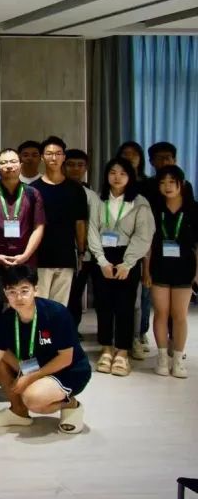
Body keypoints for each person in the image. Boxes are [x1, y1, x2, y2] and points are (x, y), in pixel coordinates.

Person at [0, 265, 89, 434]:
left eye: (24, 291)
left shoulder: (56, 313)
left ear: (36, 290)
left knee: (33, 398)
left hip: (68, 370)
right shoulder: (5, 320)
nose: (18, 297)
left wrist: (29, 378)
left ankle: (70, 405)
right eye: (12, 292)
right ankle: (18, 411)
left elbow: (66, 358)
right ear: (5, 293)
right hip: (34, 365)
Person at [87, 158, 154, 377]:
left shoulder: (140, 202)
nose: (117, 177)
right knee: (104, 305)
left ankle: (123, 352)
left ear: (130, 177)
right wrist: (102, 261)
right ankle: (106, 348)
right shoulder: (99, 199)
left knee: (125, 306)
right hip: (103, 257)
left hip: (128, 256)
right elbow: (92, 230)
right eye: (113, 172)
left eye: (122, 173)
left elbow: (144, 235)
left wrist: (128, 263)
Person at [148, 165, 196, 379]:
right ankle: (161, 357)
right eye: (162, 182)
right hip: (159, 266)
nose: (167, 186)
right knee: (161, 312)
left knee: (179, 315)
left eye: (171, 182)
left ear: (181, 184)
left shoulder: (193, 209)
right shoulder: (154, 209)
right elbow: (148, 243)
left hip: (185, 267)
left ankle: (177, 358)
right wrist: (146, 271)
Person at [31, 137, 88, 305]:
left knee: (60, 307)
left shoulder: (76, 189)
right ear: (42, 157)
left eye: (58, 153)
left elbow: (80, 222)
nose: (54, 157)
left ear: (64, 157)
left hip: (66, 256)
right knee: (39, 304)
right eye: (49, 153)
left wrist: (81, 251)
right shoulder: (33, 189)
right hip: (40, 257)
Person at [0, 148, 46, 275]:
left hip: (26, 261)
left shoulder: (32, 193)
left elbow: (39, 228)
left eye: (13, 161)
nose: (8, 166)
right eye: (3, 162)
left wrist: (25, 255)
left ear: (20, 165)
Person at [63, 149, 101, 331]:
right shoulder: (58, 189)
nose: (75, 169)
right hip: (61, 251)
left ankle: (73, 329)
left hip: (84, 253)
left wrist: (84, 250)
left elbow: (94, 225)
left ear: (86, 168)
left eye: (80, 165)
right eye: (70, 165)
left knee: (75, 294)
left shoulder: (91, 195)